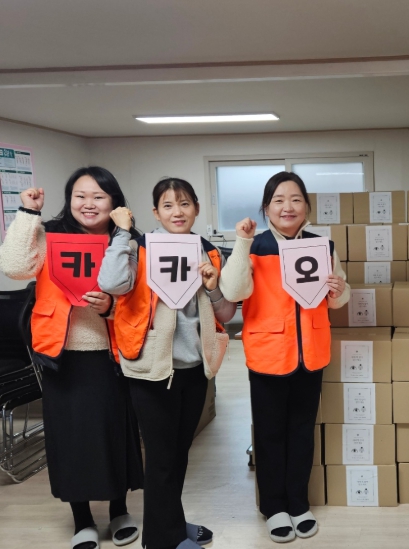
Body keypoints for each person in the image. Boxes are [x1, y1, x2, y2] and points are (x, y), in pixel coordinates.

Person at [0, 167, 144, 549]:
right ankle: (82, 518)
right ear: (69, 199)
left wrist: (110, 307)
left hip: (112, 354)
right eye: (80, 195)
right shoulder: (48, 233)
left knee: (114, 433)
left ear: (114, 202)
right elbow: (14, 267)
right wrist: (27, 214)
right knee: (71, 439)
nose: (88, 204)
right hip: (61, 355)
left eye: (99, 196)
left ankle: (119, 509)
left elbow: (136, 297)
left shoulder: (126, 239)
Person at [98, 177, 236, 549]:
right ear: (156, 212)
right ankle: (163, 540)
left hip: (195, 367)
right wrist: (121, 234)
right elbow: (111, 283)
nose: (178, 212)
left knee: (177, 455)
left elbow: (226, 312)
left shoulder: (208, 251)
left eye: (185, 203)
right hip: (151, 369)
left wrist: (213, 288)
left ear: (196, 209)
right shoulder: (139, 247)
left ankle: (171, 524)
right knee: (161, 458)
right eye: (168, 205)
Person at [220, 171, 349, 543]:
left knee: (301, 432)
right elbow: (233, 291)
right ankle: (273, 506)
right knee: (270, 434)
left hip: (311, 354)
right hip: (268, 353)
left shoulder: (322, 245)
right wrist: (242, 243)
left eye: (295, 199)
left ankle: (298, 503)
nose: (287, 207)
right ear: (266, 208)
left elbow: (339, 300)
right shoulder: (255, 246)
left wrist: (339, 289)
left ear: (306, 206)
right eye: (278, 200)